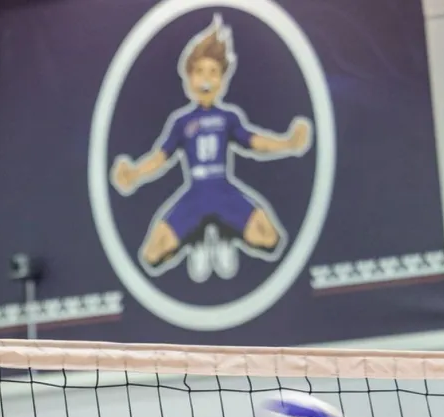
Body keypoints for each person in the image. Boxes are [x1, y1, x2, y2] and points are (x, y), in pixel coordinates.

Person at [108, 15, 313, 282]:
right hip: (195, 194)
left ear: (222, 79)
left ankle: (225, 234)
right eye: (199, 72)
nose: (205, 79)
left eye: (213, 72)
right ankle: (196, 239)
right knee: (152, 253)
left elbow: (254, 141)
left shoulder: (228, 117)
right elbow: (161, 157)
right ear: (188, 77)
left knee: (270, 237)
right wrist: (135, 173)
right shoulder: (181, 122)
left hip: (224, 191)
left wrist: (288, 142)